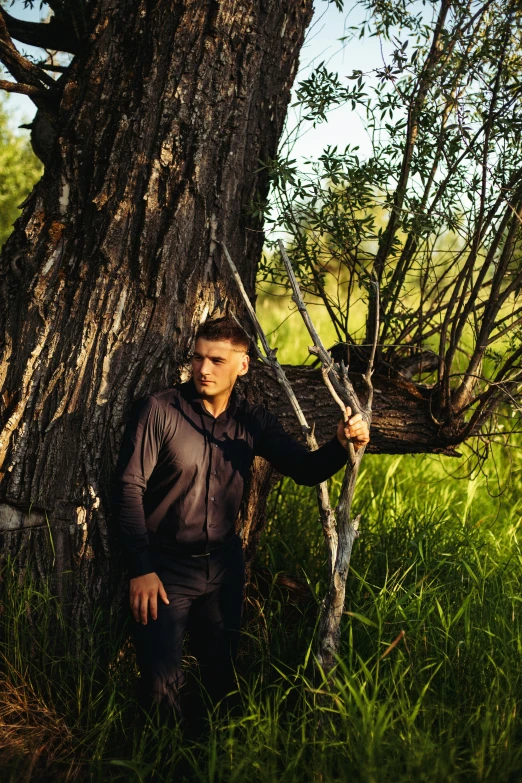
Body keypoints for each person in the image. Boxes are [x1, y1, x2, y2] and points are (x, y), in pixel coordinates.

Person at [111, 316, 370, 722]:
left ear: (242, 365)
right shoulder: (160, 410)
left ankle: (209, 758)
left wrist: (341, 444)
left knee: (221, 683)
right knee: (161, 687)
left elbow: (304, 469)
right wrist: (140, 568)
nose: (203, 369)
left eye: (216, 360)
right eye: (198, 358)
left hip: (224, 569)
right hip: (165, 571)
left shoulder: (252, 420)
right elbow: (129, 487)